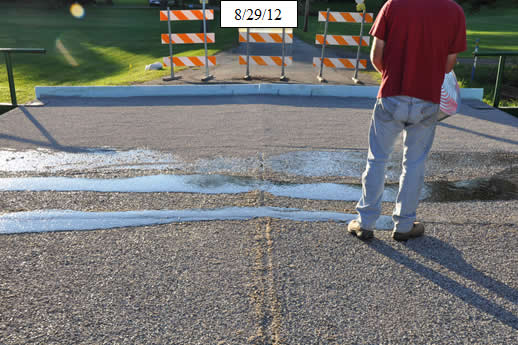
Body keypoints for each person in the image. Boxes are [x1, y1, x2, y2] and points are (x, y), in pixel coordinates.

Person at [347, 0, 467, 241]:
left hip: (391, 95)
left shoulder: (393, 5)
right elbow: (448, 65)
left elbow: (375, 56)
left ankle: (365, 223)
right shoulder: (454, 11)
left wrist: (393, 77)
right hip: (427, 99)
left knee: (377, 159)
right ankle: (404, 225)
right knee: (414, 164)